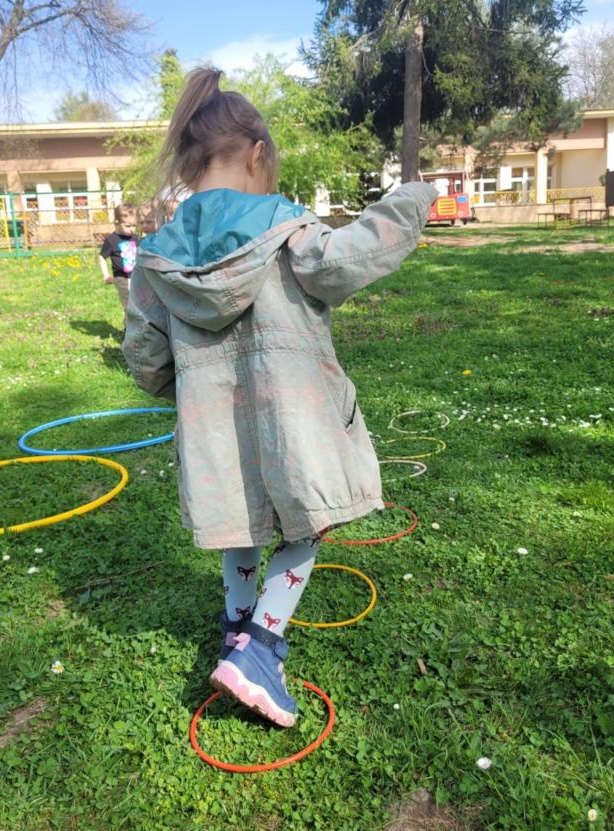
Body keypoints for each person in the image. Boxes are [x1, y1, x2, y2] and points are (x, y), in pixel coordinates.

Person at [122, 67, 437, 728]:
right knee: (307, 521)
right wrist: (411, 198)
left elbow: (145, 353)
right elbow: (347, 258)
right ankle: (261, 648)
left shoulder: (156, 256)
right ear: (257, 153)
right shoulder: (287, 226)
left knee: (238, 523)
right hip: (293, 416)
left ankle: (235, 631)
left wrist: (185, 389)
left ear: (192, 158)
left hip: (213, 423)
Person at [98, 203, 138, 313]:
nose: (132, 229)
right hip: (121, 277)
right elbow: (102, 257)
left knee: (139, 302)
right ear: (117, 223)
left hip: (136, 276)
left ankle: (136, 321)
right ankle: (130, 322)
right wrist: (106, 275)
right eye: (128, 226)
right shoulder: (112, 240)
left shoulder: (135, 238)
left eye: (134, 225)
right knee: (129, 303)